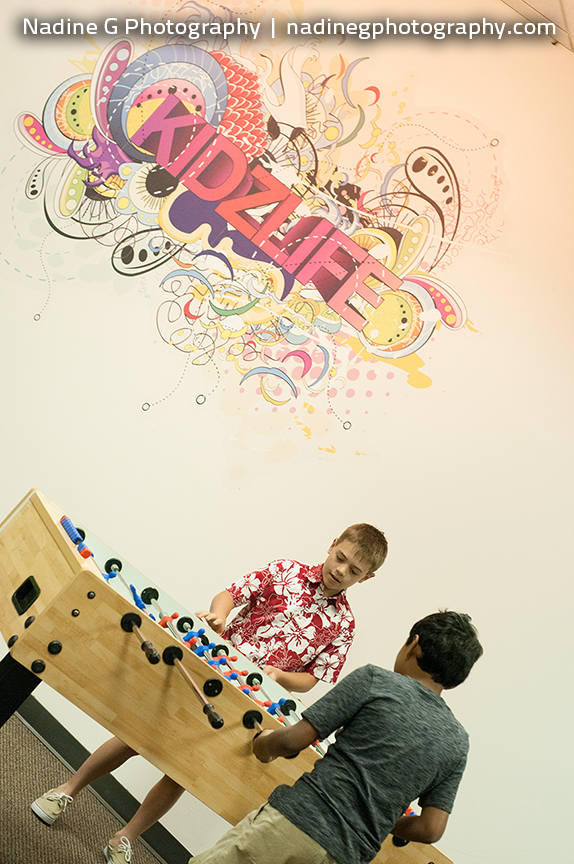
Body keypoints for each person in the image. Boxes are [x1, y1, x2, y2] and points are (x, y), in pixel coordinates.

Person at [31, 524, 388, 864]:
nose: (341, 570)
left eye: (354, 571)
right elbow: (230, 595)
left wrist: (281, 676)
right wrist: (219, 617)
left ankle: (126, 837)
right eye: (340, 558)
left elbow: (313, 678)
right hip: (212, 668)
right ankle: (66, 790)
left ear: (367, 578)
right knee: (137, 734)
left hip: (250, 700)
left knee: (185, 769)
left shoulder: (344, 624)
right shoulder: (286, 570)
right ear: (332, 544)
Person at [190, 610, 483, 864]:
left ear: (414, 644)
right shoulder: (457, 742)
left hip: (297, 822)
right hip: (350, 855)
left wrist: (264, 744)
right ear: (455, 679)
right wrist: (377, 817)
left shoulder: (375, 680)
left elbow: (292, 741)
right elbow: (431, 829)